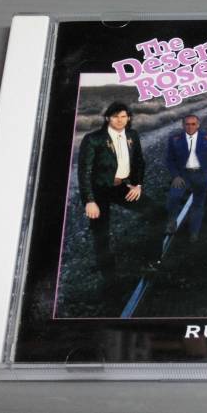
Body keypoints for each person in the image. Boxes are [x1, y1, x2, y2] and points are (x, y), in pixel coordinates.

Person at [78, 101, 165, 291]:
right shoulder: (93, 139)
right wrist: (89, 201)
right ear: (107, 118)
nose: (120, 120)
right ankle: (110, 281)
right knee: (101, 234)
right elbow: (84, 172)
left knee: (159, 213)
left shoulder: (132, 135)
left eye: (124, 116)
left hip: (121, 187)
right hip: (99, 190)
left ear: (129, 118)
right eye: (115, 116)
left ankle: (151, 262)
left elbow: (139, 161)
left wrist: (137, 184)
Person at [165, 114, 207, 242]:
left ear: (198, 125)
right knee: (174, 196)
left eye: (193, 124)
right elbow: (169, 159)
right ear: (183, 125)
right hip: (183, 175)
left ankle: (194, 231)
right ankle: (172, 221)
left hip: (202, 174)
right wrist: (176, 175)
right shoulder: (175, 139)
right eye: (187, 124)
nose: (190, 127)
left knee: (198, 203)